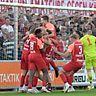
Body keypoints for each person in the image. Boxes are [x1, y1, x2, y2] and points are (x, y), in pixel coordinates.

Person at [27, 28, 50, 93]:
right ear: (37, 34)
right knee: (45, 71)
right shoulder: (38, 40)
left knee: (31, 73)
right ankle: (44, 87)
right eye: (41, 33)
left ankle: (29, 88)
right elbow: (43, 51)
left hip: (30, 55)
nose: (42, 34)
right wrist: (45, 46)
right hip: (37, 56)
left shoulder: (32, 38)